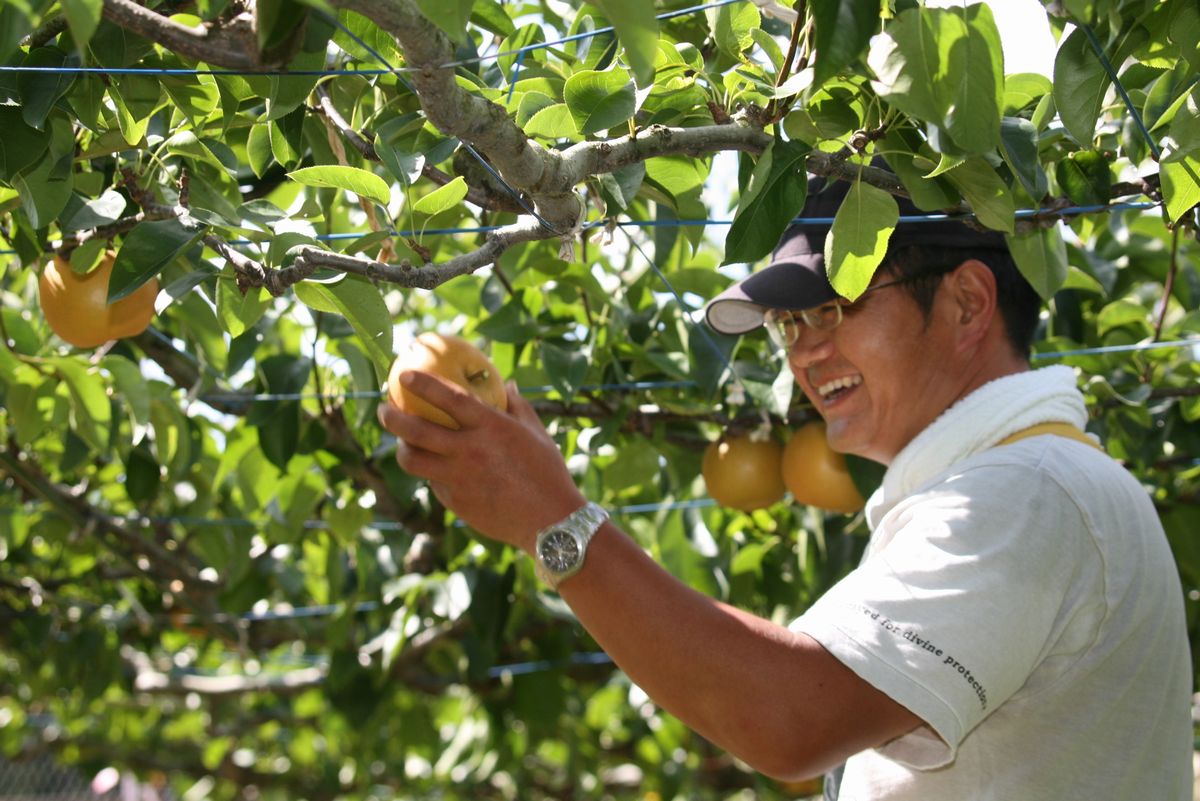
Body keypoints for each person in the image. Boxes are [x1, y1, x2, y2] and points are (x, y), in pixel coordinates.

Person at [376, 174, 1193, 800]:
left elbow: (789, 716)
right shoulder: (1017, 484)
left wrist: (556, 520)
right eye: (790, 325)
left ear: (969, 302)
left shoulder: (1027, 494)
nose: (803, 353)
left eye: (834, 307)